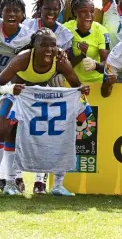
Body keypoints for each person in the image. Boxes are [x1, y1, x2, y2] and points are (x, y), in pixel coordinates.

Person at [0, 28, 90, 196]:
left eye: (53, 45)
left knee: (58, 134)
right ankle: (9, 183)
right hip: (17, 95)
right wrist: (11, 89)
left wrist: (82, 89)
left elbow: (75, 84)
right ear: (34, 46)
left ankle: (56, 185)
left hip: (41, 98)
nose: (49, 49)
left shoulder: (60, 59)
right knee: (3, 130)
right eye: (44, 45)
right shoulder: (23, 58)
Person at [0, 0, 32, 193]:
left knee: (8, 129)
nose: (11, 14)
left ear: (23, 15)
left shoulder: (28, 36)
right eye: (7, 10)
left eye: (16, 11)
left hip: (10, 88)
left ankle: (9, 179)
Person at [64, 0, 110, 83]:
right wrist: (81, 55)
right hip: (72, 81)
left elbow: (107, 65)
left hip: (96, 82)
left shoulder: (101, 31)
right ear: (75, 12)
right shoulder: (66, 29)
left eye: (92, 11)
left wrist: (95, 65)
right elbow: (63, 62)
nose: (89, 15)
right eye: (84, 11)